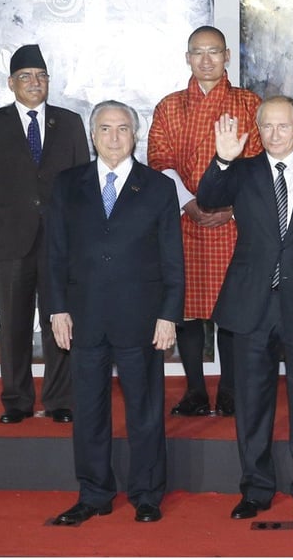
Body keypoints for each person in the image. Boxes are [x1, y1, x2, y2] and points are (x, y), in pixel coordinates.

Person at [197, 96, 293, 522]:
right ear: (257, 129)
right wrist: (223, 160)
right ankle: (256, 489)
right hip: (250, 305)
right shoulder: (241, 171)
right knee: (250, 404)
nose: (276, 133)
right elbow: (208, 199)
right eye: (267, 126)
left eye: (284, 125)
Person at [47, 100, 184, 524]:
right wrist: (57, 310)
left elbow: (172, 260)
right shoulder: (67, 185)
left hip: (141, 318)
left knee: (144, 410)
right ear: (93, 135)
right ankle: (93, 494)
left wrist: (168, 315)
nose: (113, 137)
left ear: (135, 134)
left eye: (122, 129)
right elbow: (55, 255)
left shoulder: (159, 188)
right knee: (88, 411)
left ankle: (146, 494)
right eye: (104, 129)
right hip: (84, 316)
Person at [0, 44, 90, 425]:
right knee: (15, 326)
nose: (34, 83)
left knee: (60, 322)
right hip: (12, 239)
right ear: (11, 83)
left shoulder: (68, 122)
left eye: (40, 76)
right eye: (26, 77)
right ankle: (16, 402)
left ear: (48, 81)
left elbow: (83, 178)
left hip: (59, 240)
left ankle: (59, 401)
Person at [148, 25, 263, 418]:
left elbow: (261, 161)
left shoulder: (249, 103)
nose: (207, 60)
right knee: (186, 307)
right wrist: (187, 202)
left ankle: (229, 390)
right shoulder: (169, 106)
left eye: (214, 52)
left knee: (231, 305)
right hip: (183, 217)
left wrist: (234, 206)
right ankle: (195, 390)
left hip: (234, 219)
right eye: (198, 52)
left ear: (227, 56)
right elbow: (159, 161)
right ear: (187, 58)